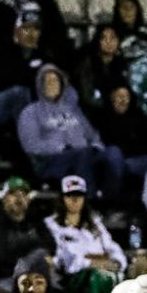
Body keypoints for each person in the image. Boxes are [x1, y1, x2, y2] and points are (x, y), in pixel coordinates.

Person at [17, 62, 119, 198]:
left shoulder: (73, 110)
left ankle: (112, 203)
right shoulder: (30, 112)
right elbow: (31, 145)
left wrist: (96, 145)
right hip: (51, 162)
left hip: (84, 154)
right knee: (82, 155)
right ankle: (90, 205)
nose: (52, 84)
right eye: (47, 81)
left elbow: (91, 134)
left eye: (55, 80)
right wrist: (60, 147)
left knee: (113, 153)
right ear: (40, 85)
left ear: (62, 84)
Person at [44, 175, 125, 293]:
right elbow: (67, 259)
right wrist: (95, 262)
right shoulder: (52, 225)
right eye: (70, 196)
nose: (75, 200)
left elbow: (112, 248)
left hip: (105, 270)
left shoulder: (95, 224)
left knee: (119, 275)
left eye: (79, 196)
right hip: (73, 277)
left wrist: (117, 262)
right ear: (62, 198)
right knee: (96, 277)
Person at [0, 174, 44, 285]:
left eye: (23, 194)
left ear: (28, 199)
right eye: (13, 194)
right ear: (4, 199)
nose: (19, 198)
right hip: (4, 279)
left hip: (36, 278)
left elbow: (50, 246)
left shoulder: (36, 222)